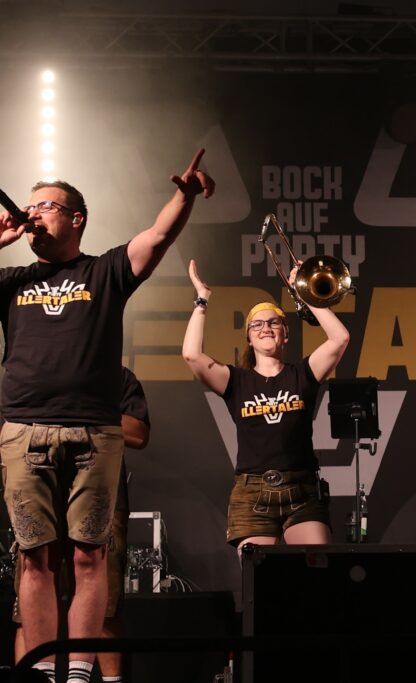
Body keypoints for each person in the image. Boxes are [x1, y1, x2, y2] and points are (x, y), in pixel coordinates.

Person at [0, 150, 214, 683]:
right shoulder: (13, 279)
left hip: (95, 432)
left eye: (46, 206)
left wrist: (184, 196)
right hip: (24, 428)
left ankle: (78, 671)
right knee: (34, 558)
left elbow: (157, 238)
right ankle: (42, 672)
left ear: (77, 218)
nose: (32, 214)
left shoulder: (104, 270)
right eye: (29, 207)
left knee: (89, 556)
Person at [182, 259, 349, 555]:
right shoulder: (236, 381)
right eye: (257, 324)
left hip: (302, 490)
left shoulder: (303, 374)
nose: (266, 328)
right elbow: (192, 355)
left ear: (285, 332)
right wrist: (202, 299)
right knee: (257, 577)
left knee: (318, 568)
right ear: (248, 337)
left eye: (274, 322)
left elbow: (340, 338)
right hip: (252, 492)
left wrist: (305, 292)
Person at [13, 367, 151, 683]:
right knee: (28, 610)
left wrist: (84, 412)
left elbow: (139, 433)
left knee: (106, 608)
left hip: (104, 498)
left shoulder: (117, 376)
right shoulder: (37, 366)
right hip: (42, 493)